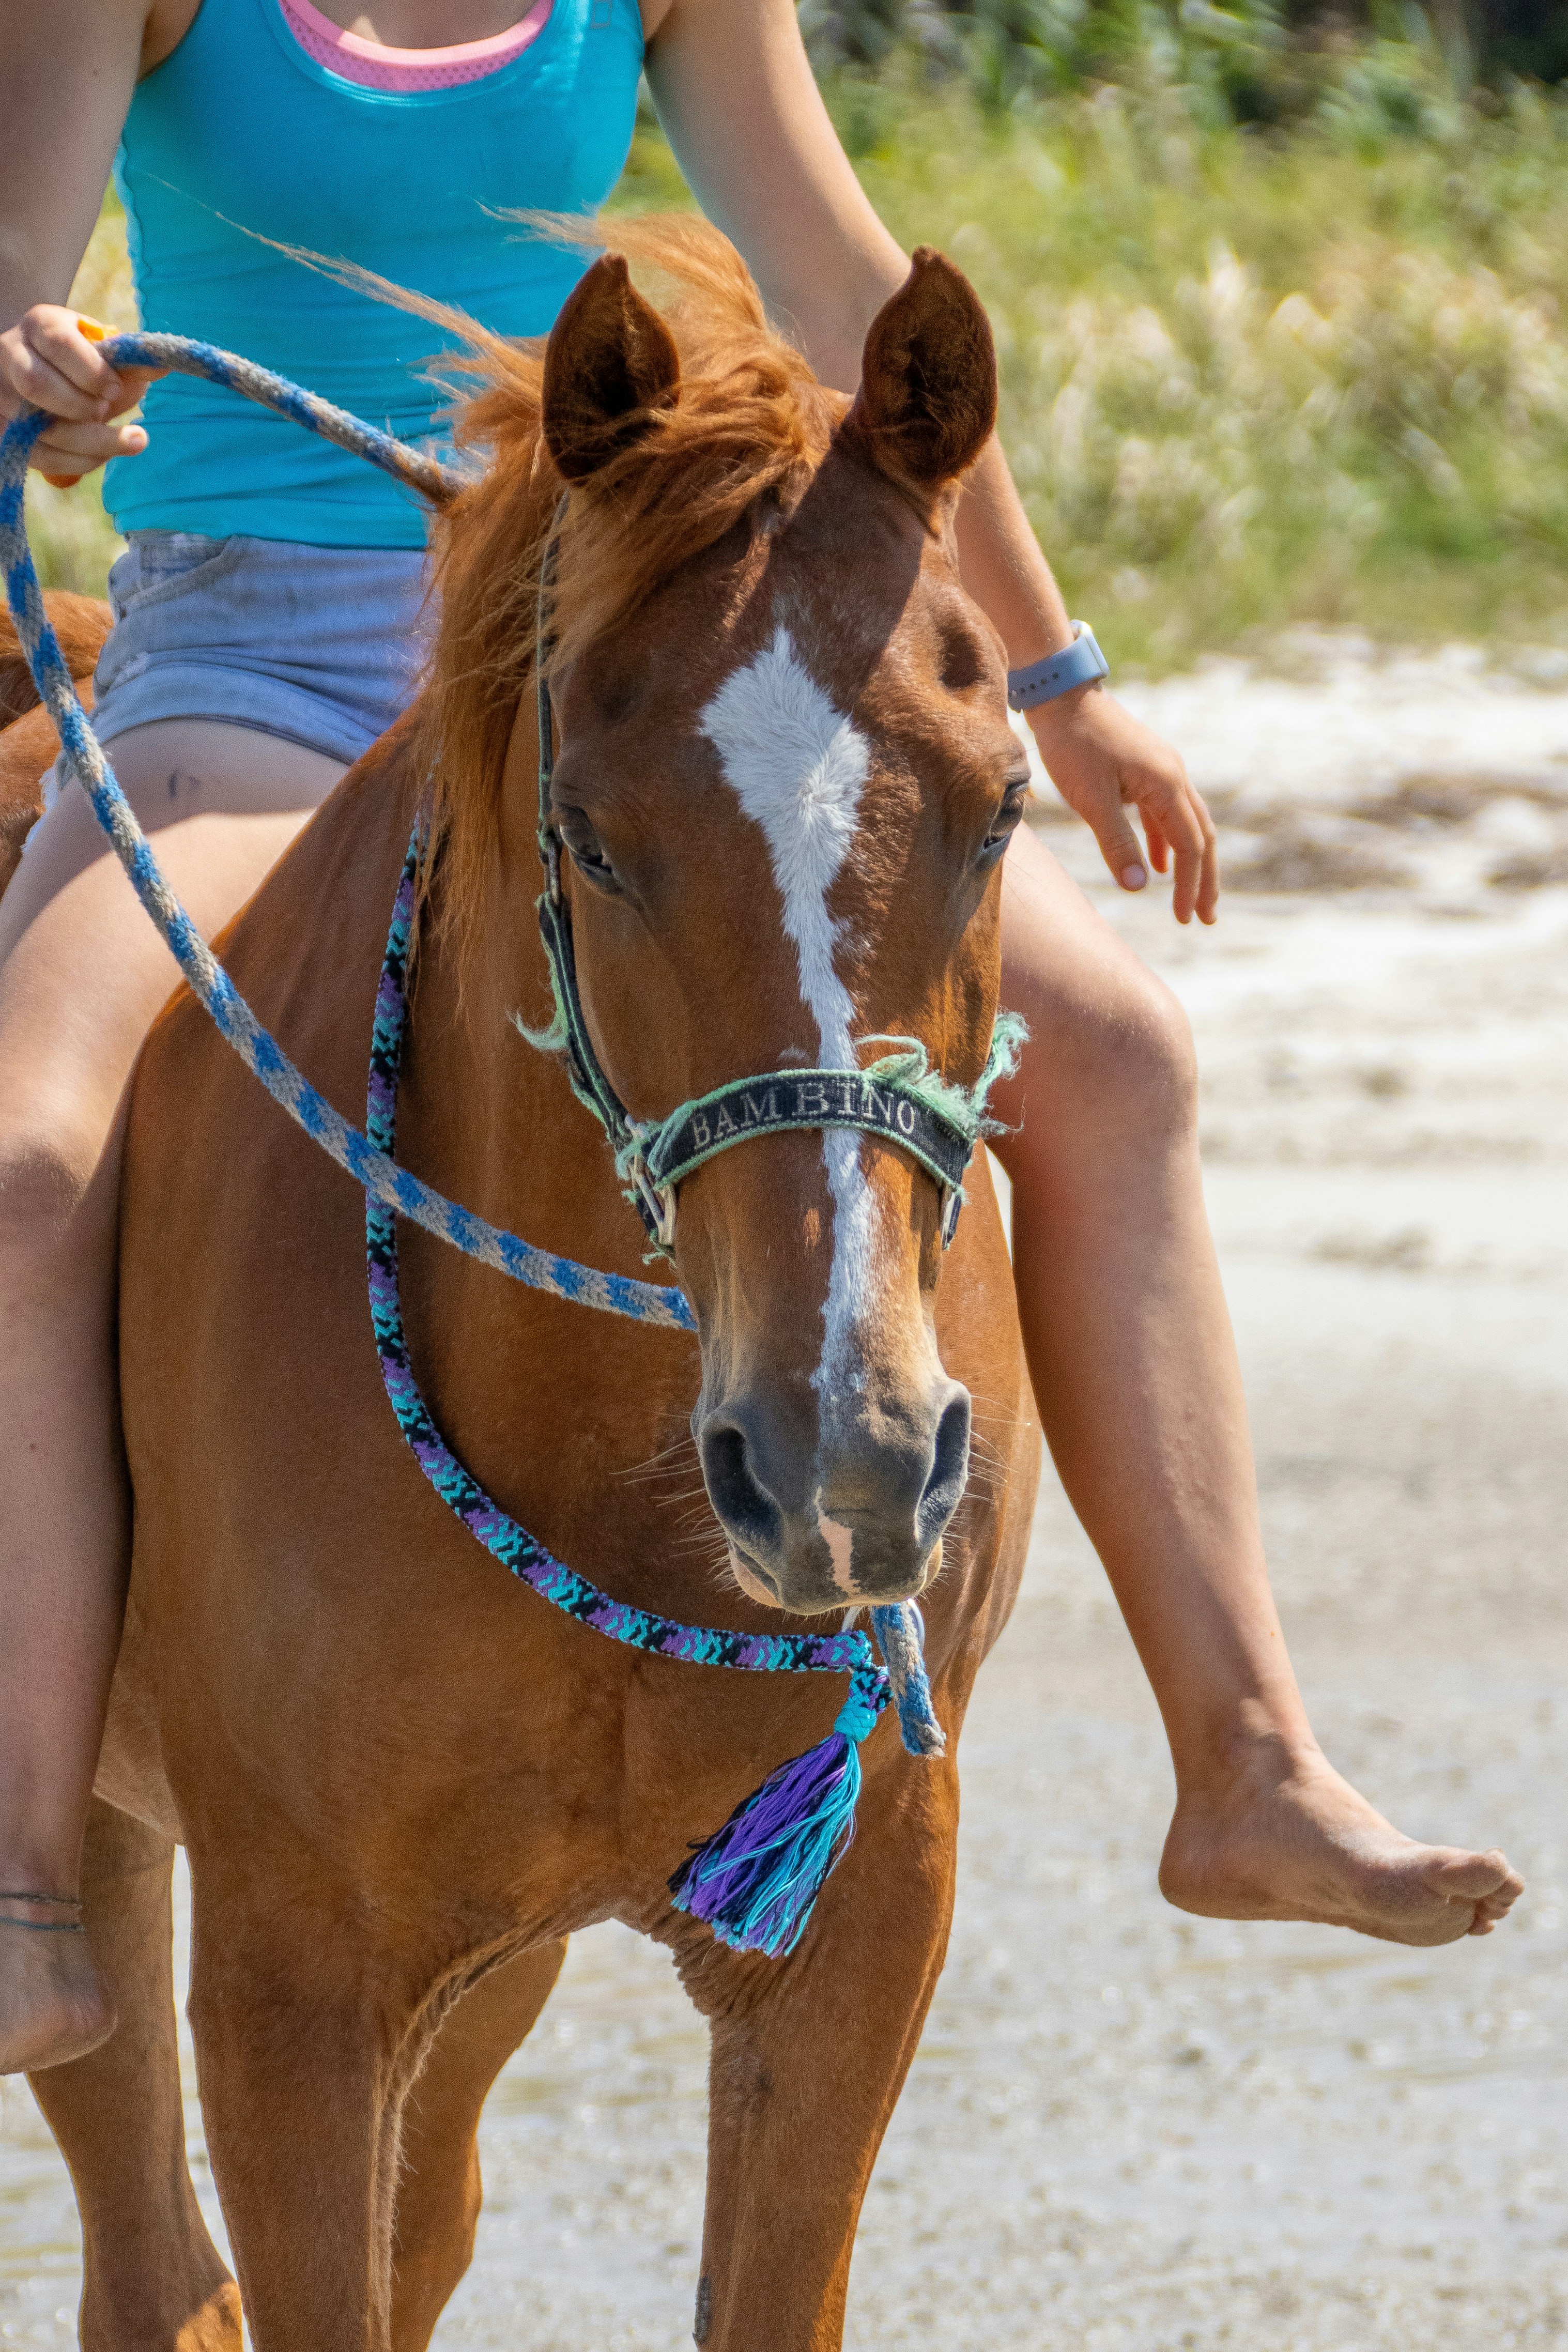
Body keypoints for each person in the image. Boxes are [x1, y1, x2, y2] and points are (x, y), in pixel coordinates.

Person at [0, 0, 1520, 2077]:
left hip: (614, 666)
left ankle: (1247, 1757)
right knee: (27, 1161)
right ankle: (25, 1861)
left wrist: (1065, 681)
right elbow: (16, 273)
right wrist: (37, 373)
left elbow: (846, 285)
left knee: (1127, 1054)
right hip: (252, 681)